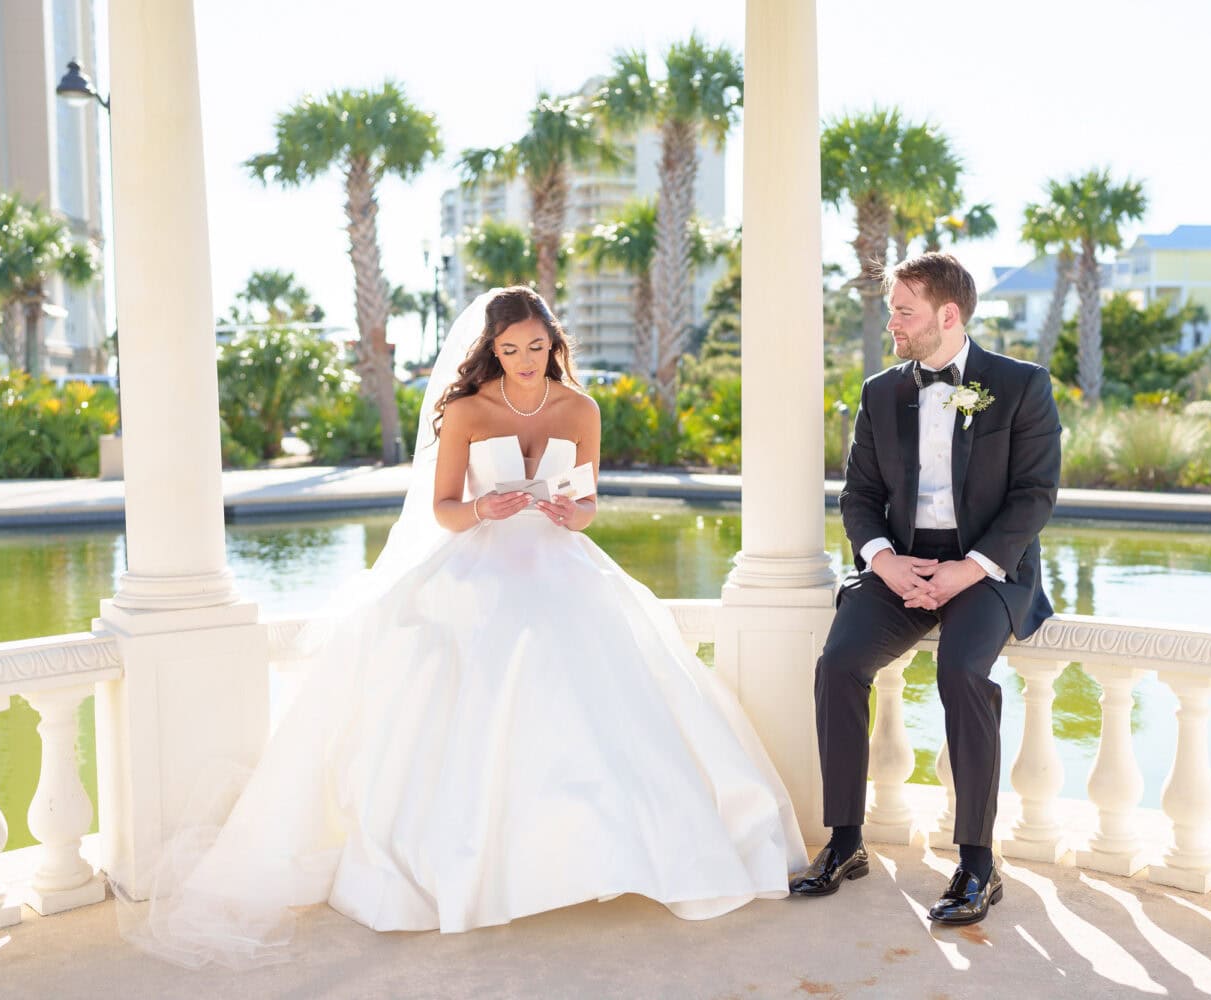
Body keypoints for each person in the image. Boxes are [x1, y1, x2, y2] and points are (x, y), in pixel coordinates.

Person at [123, 287, 805, 968]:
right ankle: (474, 873)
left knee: (608, 680)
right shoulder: (466, 411)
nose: (525, 360)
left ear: (553, 342)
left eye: (536, 347)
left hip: (561, 560)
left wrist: (576, 515)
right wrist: (484, 507)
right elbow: (444, 508)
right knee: (486, 669)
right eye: (510, 350)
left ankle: (611, 855)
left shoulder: (582, 408)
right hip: (481, 559)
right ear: (491, 350)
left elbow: (590, 497)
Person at [789, 253, 1060, 925]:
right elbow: (860, 497)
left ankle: (976, 863)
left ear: (949, 314)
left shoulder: (1021, 385)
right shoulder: (882, 392)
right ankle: (846, 842)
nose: (892, 322)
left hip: (989, 568)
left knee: (963, 671)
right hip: (901, 564)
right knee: (839, 665)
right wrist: (884, 563)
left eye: (903, 310)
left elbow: (1034, 496)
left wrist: (971, 568)